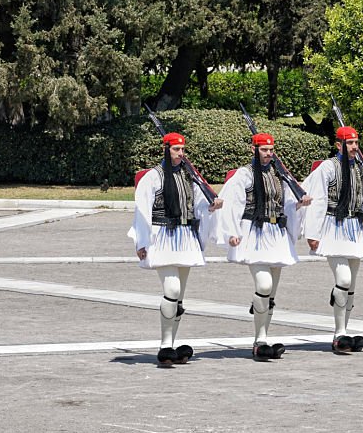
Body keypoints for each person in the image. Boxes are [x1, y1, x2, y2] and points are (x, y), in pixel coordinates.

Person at [129, 132, 222, 367]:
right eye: (176, 149)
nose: (180, 153)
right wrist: (141, 241)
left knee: (179, 297)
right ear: (166, 149)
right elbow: (142, 210)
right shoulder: (154, 177)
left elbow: (199, 206)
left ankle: (171, 343)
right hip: (162, 237)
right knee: (172, 289)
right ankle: (164, 345)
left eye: (182, 149)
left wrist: (212, 207)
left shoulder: (189, 177)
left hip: (185, 237)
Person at [217, 132, 312, 360]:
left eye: (271, 150)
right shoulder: (245, 174)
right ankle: (259, 339)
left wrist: (299, 205)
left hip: (276, 234)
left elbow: (286, 205)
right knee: (264, 284)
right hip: (254, 233)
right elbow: (232, 202)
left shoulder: (280, 175)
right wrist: (232, 232)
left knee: (271, 293)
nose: (268, 154)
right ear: (254, 150)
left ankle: (262, 339)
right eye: (264, 150)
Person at [302, 126, 363, 354]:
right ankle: (338, 334)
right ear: (338, 145)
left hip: (355, 229)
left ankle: (344, 329)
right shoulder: (328, 167)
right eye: (350, 143)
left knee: (351, 284)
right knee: (343, 279)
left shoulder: (360, 169)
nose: (354, 147)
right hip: (334, 227)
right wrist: (312, 234)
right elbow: (318, 199)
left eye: (356, 143)